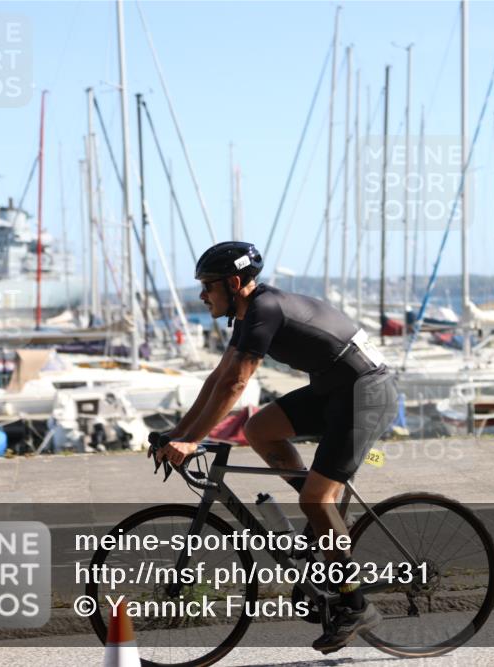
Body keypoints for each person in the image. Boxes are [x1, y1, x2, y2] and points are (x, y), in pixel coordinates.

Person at [152, 241, 398, 654]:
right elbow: (216, 379)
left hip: (364, 394)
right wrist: (176, 432)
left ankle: (355, 604)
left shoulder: (264, 310)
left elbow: (235, 385)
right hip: (332, 390)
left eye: (207, 286)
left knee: (317, 501)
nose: (201, 295)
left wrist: (192, 440)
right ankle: (323, 519)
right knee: (260, 429)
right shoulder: (247, 316)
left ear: (234, 283)